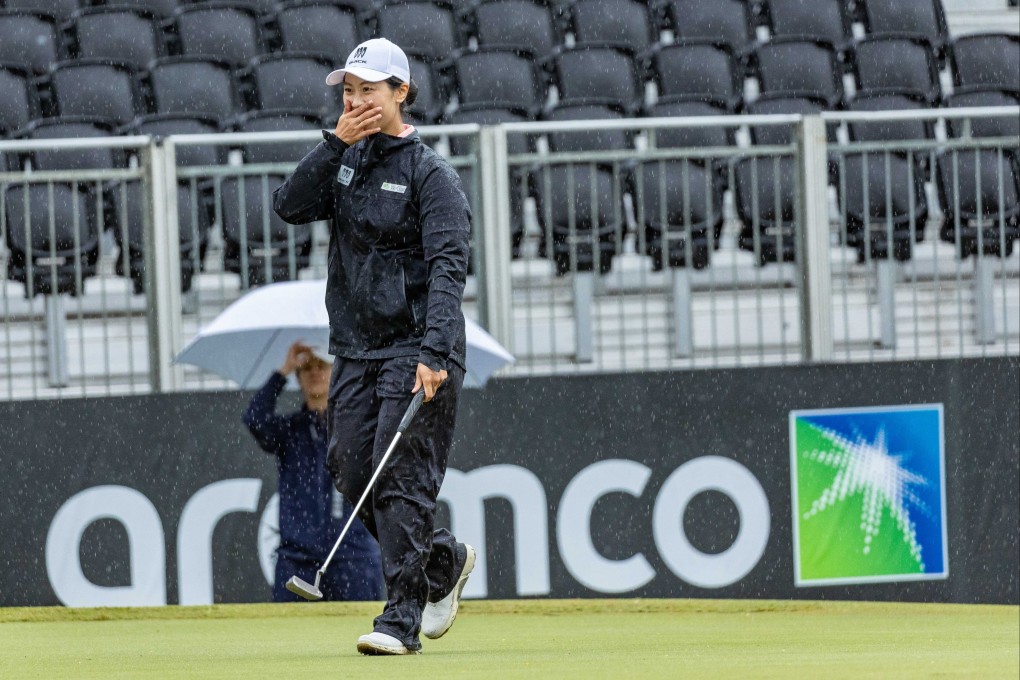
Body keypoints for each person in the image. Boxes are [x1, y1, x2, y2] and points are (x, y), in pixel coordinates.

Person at [272, 37, 475, 655]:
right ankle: (441, 559)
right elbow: (288, 205)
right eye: (349, 91)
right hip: (355, 350)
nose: (356, 100)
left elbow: (448, 266)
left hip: (416, 348)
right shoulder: (345, 161)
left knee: (399, 474)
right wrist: (336, 142)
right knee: (352, 469)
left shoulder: (430, 173)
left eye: (368, 90)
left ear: (400, 94)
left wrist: (435, 352)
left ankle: (401, 618)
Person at [242, 341, 383, 603]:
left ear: (335, 373)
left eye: (322, 366)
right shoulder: (290, 430)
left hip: (354, 556)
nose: (315, 373)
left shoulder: (355, 426)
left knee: (365, 636)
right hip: (298, 559)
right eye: (306, 368)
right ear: (298, 377)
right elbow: (254, 419)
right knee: (289, 639)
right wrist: (283, 370)